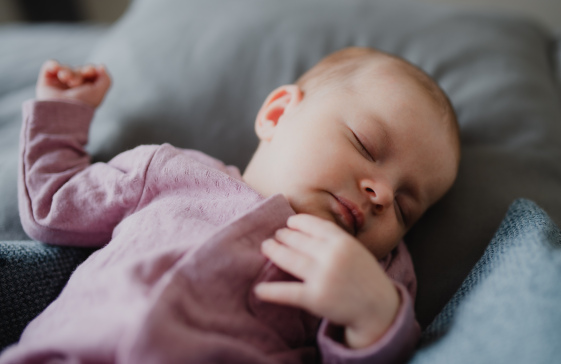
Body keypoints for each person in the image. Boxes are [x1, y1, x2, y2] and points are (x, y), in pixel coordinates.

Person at [2, 47, 460, 363]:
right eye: (365, 145)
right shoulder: (168, 172)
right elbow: (55, 202)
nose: (381, 194)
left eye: (405, 208)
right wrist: (61, 113)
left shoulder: (373, 273)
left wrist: (375, 319)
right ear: (278, 114)